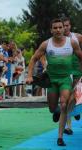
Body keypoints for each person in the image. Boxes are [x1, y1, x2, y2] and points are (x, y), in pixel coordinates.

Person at [26, 18, 82, 146]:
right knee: (53, 108)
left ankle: (60, 137)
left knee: (63, 105)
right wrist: (29, 75)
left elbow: (80, 57)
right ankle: (55, 111)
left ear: (64, 28)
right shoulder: (46, 44)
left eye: (60, 27)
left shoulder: (72, 43)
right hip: (51, 80)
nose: (58, 30)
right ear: (51, 30)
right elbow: (34, 59)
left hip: (65, 79)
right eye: (55, 28)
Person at [63, 17, 82, 135]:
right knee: (67, 98)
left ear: (70, 26)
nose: (65, 28)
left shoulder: (78, 37)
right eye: (63, 25)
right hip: (66, 72)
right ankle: (68, 127)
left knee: (75, 97)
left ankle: (76, 110)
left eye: (67, 25)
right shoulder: (57, 40)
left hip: (78, 72)